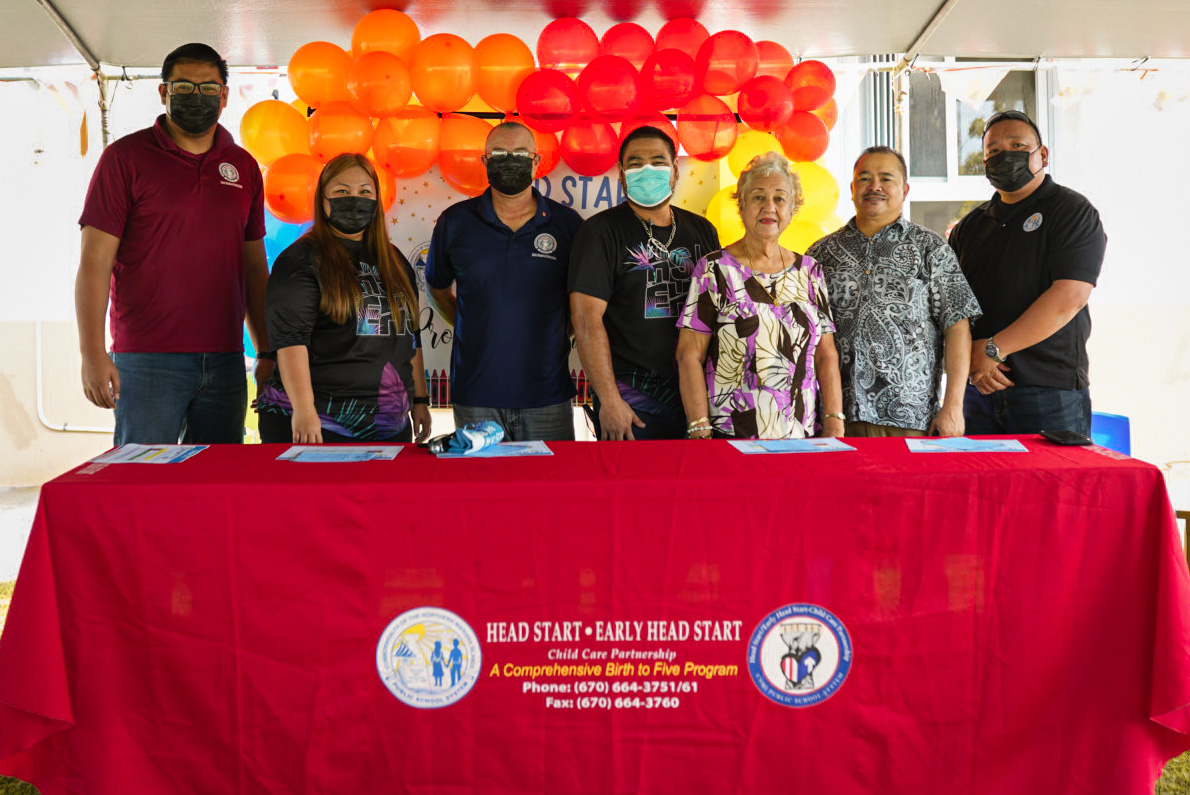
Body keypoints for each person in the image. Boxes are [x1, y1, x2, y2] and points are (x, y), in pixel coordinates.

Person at [76, 43, 269, 444]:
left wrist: (266, 351)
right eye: (183, 87)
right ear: (164, 93)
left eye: (208, 88)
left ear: (225, 96)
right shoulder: (124, 159)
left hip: (226, 359)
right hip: (146, 360)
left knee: (215, 490)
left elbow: (254, 268)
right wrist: (93, 354)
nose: (196, 97)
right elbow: (94, 262)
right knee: (140, 487)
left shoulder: (245, 167)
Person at [949, 110, 1106, 436]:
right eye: (992, 151)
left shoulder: (1071, 211)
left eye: (1017, 145)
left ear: (1043, 155)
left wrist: (993, 349)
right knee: (978, 487)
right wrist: (972, 363)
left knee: (1051, 487)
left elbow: (1070, 297)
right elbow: (953, 304)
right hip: (978, 388)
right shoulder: (970, 226)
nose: (1004, 156)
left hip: (1049, 391)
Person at [806, 146, 981, 437]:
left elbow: (957, 326)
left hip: (909, 418)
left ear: (905, 189)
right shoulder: (821, 254)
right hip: (834, 419)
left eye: (886, 178)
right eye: (865, 178)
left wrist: (952, 407)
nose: (874, 186)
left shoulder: (930, 249)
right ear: (852, 188)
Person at [256, 154, 430, 443]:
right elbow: (290, 342)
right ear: (322, 200)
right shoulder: (301, 259)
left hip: (387, 425)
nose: (354, 199)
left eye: (364, 192)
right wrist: (304, 409)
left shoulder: (394, 260)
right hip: (318, 424)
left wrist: (420, 399)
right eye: (341, 191)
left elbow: (410, 336)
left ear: (376, 199)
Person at [425, 122, 582, 441]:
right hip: (476, 395)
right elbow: (438, 289)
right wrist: (475, 325)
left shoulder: (567, 225)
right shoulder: (455, 222)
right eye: (499, 152)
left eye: (521, 152)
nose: (510, 160)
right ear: (484, 162)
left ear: (537, 162)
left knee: (550, 489)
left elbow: (585, 303)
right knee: (481, 490)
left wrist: (558, 330)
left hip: (547, 394)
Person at [676, 152, 844, 440]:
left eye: (780, 198)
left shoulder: (810, 271)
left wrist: (834, 421)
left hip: (800, 435)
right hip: (730, 435)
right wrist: (698, 427)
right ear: (741, 206)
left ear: (793, 209)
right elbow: (688, 355)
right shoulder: (714, 270)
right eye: (757, 197)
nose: (769, 207)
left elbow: (827, 355)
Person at [569, 126, 720, 440]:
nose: (646, 170)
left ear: (675, 172)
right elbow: (586, 321)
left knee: (699, 487)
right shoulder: (600, 233)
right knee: (636, 488)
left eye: (657, 161)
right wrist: (609, 400)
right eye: (635, 164)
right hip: (634, 399)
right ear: (622, 175)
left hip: (699, 397)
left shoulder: (702, 230)